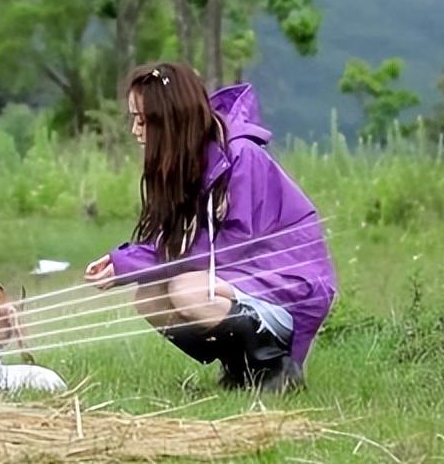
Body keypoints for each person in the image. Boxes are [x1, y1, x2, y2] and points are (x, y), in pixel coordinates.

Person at [83, 62, 336, 391]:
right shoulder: (189, 160)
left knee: (187, 291)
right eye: (133, 118)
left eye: (143, 119)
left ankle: (276, 370)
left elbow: (227, 251)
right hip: (246, 281)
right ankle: (240, 371)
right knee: (149, 297)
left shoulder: (242, 158)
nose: (135, 130)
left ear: (171, 118)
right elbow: (176, 237)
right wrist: (122, 261)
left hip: (288, 285)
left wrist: (132, 265)